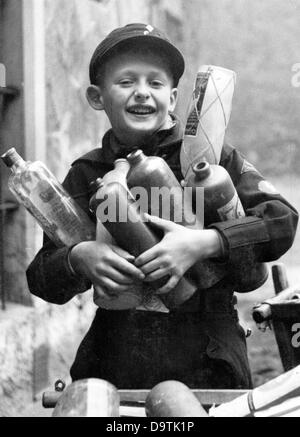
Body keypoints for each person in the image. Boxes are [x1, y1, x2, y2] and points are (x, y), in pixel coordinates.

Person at [26, 23, 298, 390]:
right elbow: (41, 278)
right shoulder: (87, 173)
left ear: (172, 99)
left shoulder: (207, 158)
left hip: (208, 355)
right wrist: (79, 258)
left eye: (155, 83)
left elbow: (282, 221)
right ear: (96, 96)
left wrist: (204, 243)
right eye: (126, 82)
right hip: (114, 359)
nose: (142, 93)